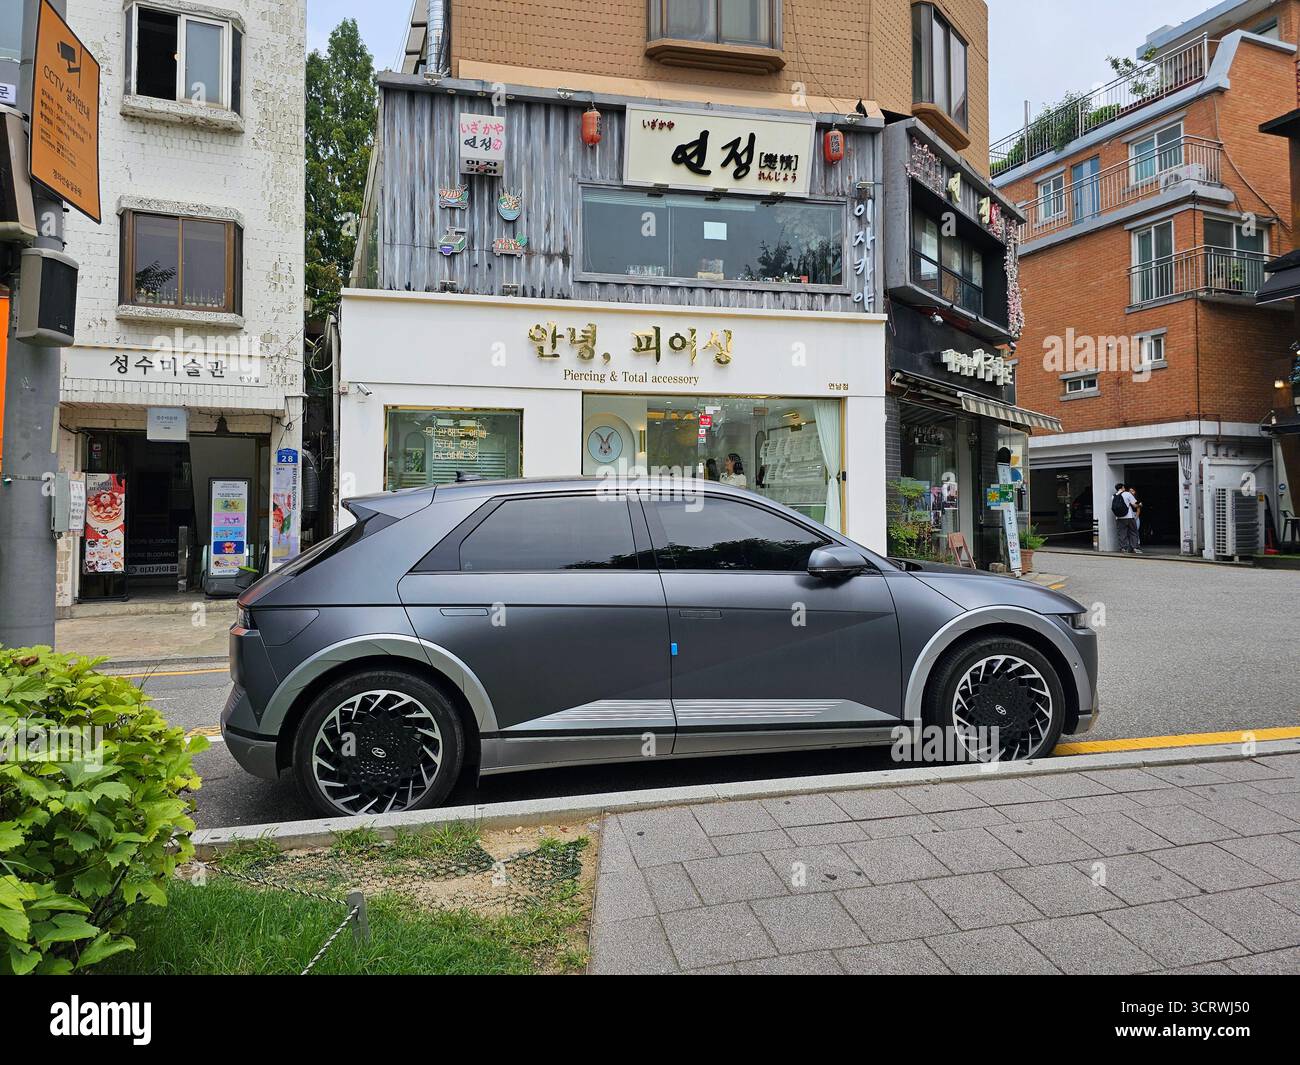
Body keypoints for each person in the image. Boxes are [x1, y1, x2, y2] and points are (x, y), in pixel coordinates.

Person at [1111, 483, 1141, 553]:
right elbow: (1134, 505)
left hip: (1119, 518)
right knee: (1133, 532)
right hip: (1129, 517)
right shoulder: (1127, 494)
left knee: (1122, 533)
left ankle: (1123, 548)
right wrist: (1139, 505)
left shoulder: (1113, 496)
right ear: (1122, 488)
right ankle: (1134, 548)